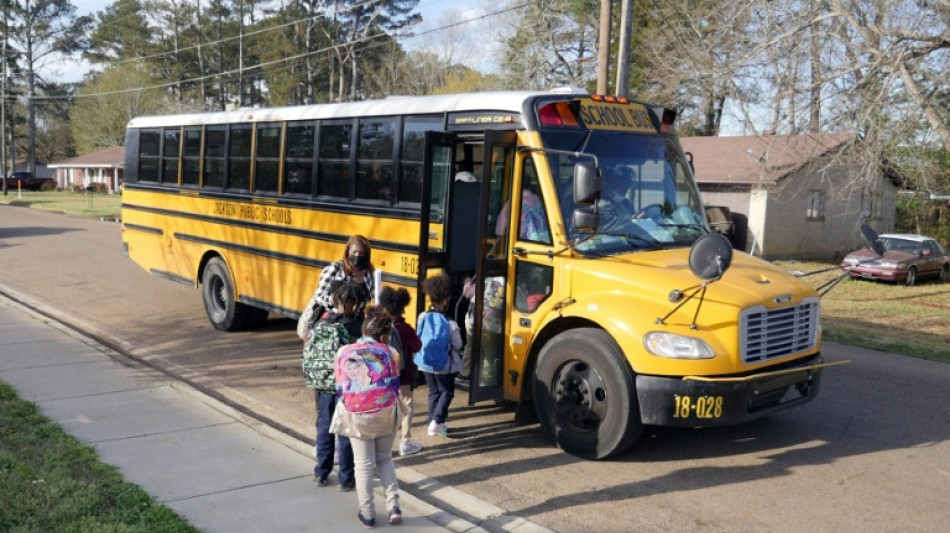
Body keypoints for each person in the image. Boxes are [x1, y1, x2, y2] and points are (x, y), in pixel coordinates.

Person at [332, 306, 404, 528]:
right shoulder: (391, 353)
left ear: (363, 330)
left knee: (363, 465)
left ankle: (368, 513)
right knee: (385, 459)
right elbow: (395, 384)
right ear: (383, 336)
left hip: (357, 416)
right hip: (385, 414)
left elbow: (339, 388)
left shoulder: (344, 352)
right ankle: (393, 506)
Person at [303, 281, 363, 491]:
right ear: (354, 304)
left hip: (323, 384)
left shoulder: (323, 322)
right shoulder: (355, 327)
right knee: (344, 430)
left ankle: (321, 473)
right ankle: (346, 478)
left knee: (324, 427)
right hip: (346, 388)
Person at [298, 234, 375, 341]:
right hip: (333, 320)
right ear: (348, 252)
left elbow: (374, 296)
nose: (357, 255)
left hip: (357, 321)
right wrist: (334, 301)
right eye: (354, 252)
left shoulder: (368, 273)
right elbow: (319, 296)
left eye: (361, 253)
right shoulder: (334, 269)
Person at [415, 274, 463, 438]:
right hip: (444, 365)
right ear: (444, 301)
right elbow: (458, 344)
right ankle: (437, 420)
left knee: (434, 392)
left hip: (425, 363)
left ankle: (432, 424)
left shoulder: (423, 316)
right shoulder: (450, 323)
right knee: (447, 392)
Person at [378, 286, 424, 457]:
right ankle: (405, 442)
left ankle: (383, 442)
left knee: (385, 407)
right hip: (403, 375)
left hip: (382, 376)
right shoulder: (405, 328)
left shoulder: (378, 326)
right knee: (406, 406)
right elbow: (417, 346)